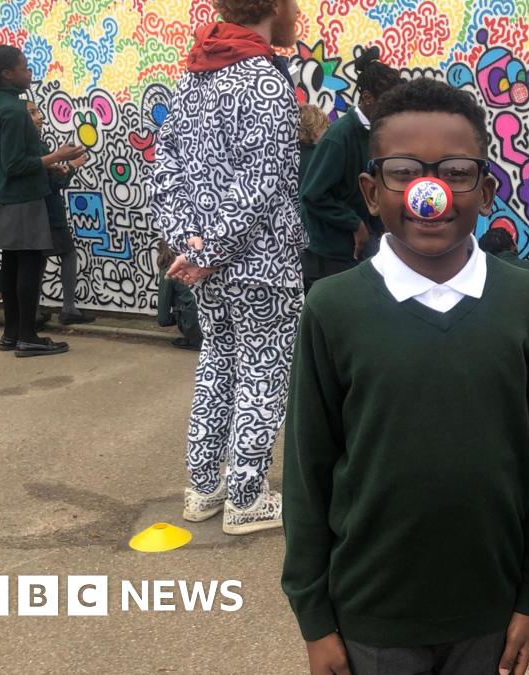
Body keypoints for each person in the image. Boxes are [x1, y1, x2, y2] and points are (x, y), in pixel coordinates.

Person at [282, 77, 529, 675]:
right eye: (403, 171)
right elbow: (309, 472)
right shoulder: (333, 308)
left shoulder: (525, 301)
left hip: (489, 611)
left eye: (456, 171)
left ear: (486, 192)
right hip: (373, 613)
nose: (428, 191)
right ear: (370, 190)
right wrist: (316, 618)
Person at [149, 0, 305, 534]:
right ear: (277, 7)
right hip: (259, 263)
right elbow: (263, 183)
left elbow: (164, 164)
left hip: (207, 266)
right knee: (263, 371)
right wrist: (208, 249)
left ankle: (203, 489)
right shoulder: (262, 79)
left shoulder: (194, 76)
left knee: (217, 363)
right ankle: (246, 497)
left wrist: (190, 247)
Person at [0, 45, 85, 356]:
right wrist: (57, 156)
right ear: (7, 74)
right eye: (24, 67)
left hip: (3, 197)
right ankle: (29, 337)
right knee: (30, 265)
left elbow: (9, 161)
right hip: (23, 200)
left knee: (12, 265)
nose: (29, 73)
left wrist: (45, 161)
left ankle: (12, 334)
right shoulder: (13, 110)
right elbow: (16, 165)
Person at [298, 45, 404, 291]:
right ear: (368, 98)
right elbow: (313, 195)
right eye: (389, 104)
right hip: (335, 254)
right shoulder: (340, 136)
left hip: (365, 246)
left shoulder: (378, 132)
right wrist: (354, 223)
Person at [25, 100, 94, 325]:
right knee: (67, 254)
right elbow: (53, 185)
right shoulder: (37, 146)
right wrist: (72, 166)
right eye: (33, 113)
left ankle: (32, 312)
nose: (40, 117)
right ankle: (68, 309)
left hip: (32, 214)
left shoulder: (23, 145)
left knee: (38, 260)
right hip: (50, 213)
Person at [155, 241, 204, 351]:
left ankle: (194, 339)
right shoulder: (197, 265)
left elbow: (163, 319)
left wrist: (177, 317)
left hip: (193, 327)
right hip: (212, 321)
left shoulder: (168, 272)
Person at [297, 103, 329, 184]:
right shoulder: (320, 160)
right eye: (326, 126)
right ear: (317, 130)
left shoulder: (291, 154)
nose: (328, 131)